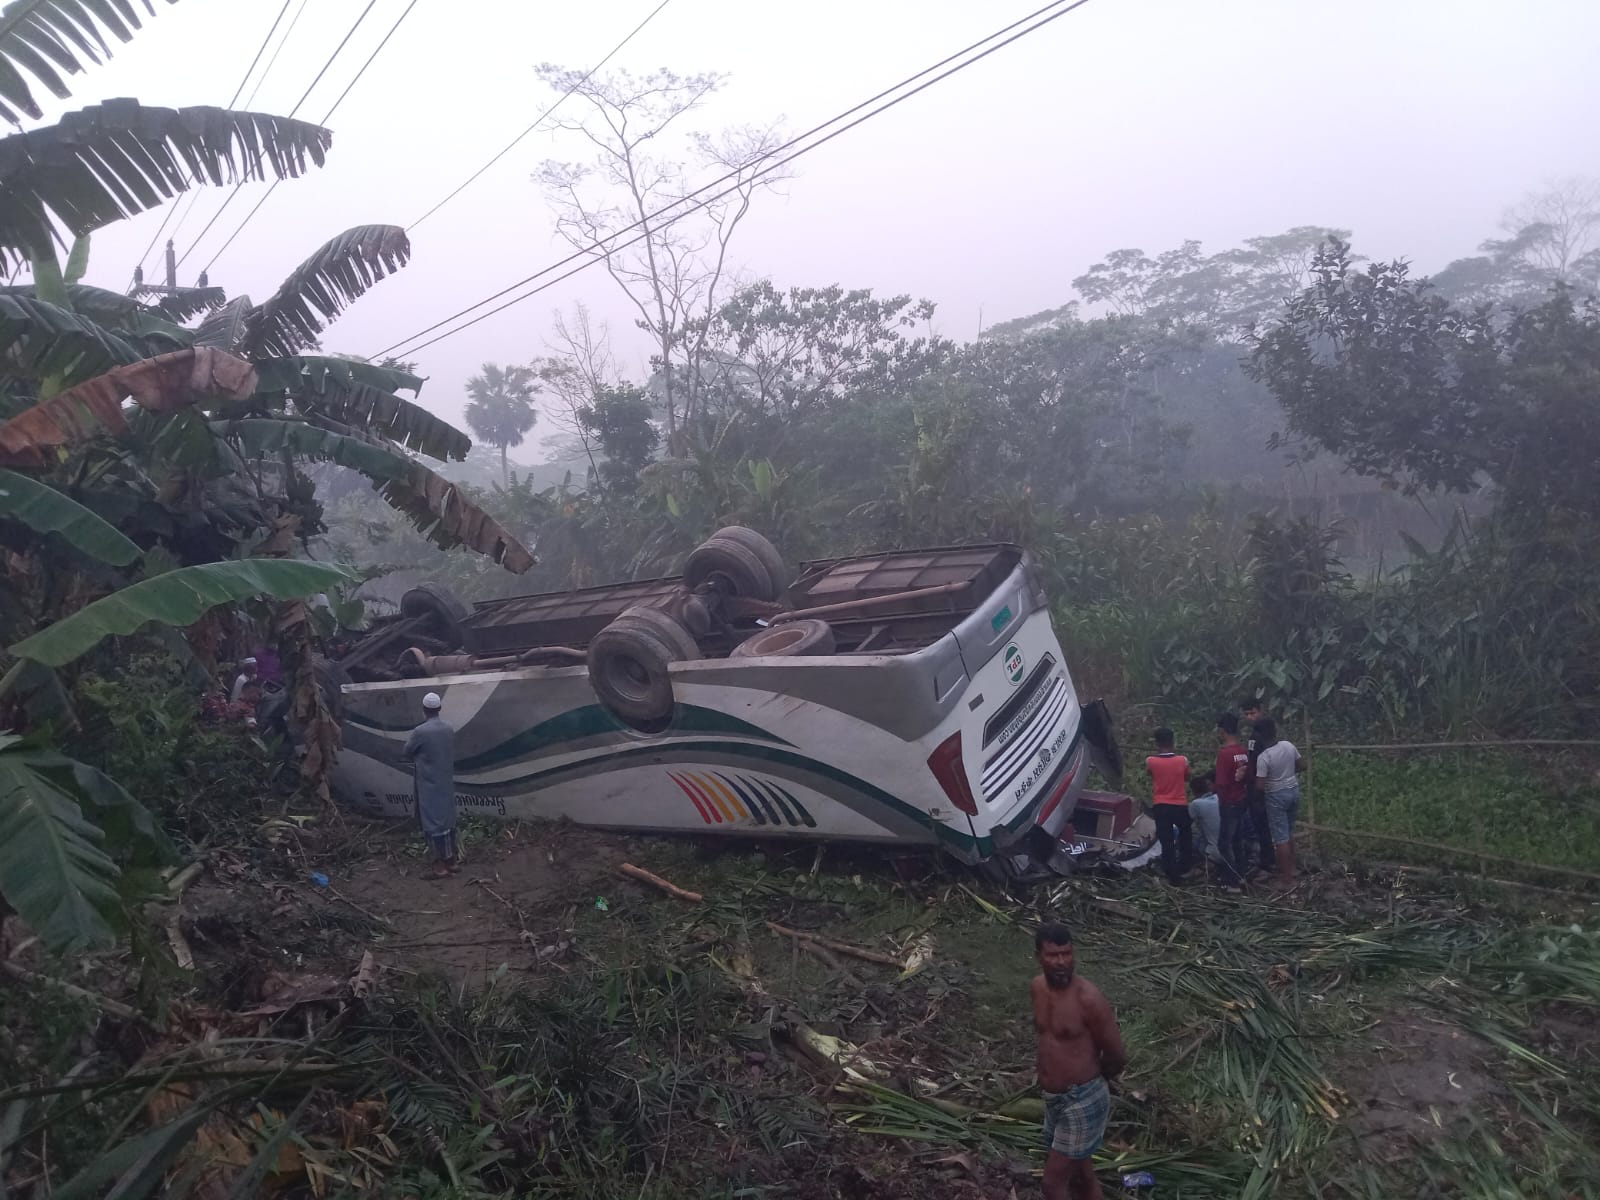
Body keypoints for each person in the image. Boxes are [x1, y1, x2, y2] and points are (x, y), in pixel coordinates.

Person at [1033, 923, 1126, 1200]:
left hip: (1082, 1098)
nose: (1061, 962)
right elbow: (1048, 1037)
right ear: (1038, 955)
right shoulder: (1037, 988)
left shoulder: (1089, 999)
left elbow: (1117, 1055)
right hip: (1054, 1098)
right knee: (1082, 1173)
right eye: (1052, 955)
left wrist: (1091, 1080)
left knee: (1052, 1184)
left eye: (1066, 954)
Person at [403, 691, 458, 878]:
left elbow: (407, 751)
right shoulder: (449, 728)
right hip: (445, 781)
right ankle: (451, 861)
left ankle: (439, 866)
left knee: (432, 824)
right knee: (447, 821)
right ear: (439, 709)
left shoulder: (421, 731)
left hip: (428, 783)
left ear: (424, 710)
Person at [1251, 717, 1305, 890]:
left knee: (1280, 838)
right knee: (1289, 832)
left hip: (1276, 796)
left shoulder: (1264, 757)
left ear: (1259, 735)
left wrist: (1255, 799)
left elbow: (1260, 785)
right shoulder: (1288, 745)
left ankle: (1287, 880)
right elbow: (1301, 765)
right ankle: (1293, 869)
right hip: (1293, 790)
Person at [1145, 728, 1192, 884]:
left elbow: (1149, 774)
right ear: (1172, 742)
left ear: (1157, 743)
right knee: (1186, 835)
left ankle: (1171, 873)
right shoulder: (1183, 760)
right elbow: (1187, 777)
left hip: (1161, 805)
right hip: (1180, 804)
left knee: (1166, 840)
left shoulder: (1151, 761)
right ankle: (1185, 866)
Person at [1213, 713, 1251, 891]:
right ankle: (1241, 875)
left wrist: (1220, 801)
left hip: (1229, 802)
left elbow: (1221, 783)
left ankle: (1232, 880)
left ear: (1222, 731)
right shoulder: (1243, 752)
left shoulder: (1224, 754)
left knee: (1224, 843)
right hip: (1242, 800)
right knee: (1237, 841)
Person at [1240, 699, 1276, 877]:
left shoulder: (1258, 736)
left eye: (1252, 713)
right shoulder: (1266, 735)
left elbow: (1254, 763)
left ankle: (1267, 861)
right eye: (1246, 714)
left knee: (1261, 823)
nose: (1249, 717)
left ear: (1260, 711)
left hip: (1259, 785)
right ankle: (1268, 858)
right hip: (1268, 783)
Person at [1188, 772, 1221, 875]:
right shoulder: (1220, 798)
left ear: (1193, 792)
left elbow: (1186, 824)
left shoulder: (1196, 804)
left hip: (1215, 854)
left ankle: (1204, 863)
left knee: (1191, 836)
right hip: (1233, 853)